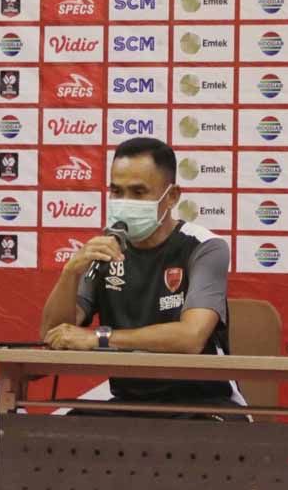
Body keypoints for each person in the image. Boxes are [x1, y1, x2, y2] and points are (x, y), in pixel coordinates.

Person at [40, 137, 243, 415]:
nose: (125, 203)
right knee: (55, 437)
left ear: (172, 196)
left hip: (204, 405)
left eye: (138, 192)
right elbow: (54, 334)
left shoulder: (204, 247)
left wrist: (100, 338)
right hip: (129, 405)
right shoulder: (105, 247)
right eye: (117, 191)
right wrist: (70, 273)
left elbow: (191, 337)